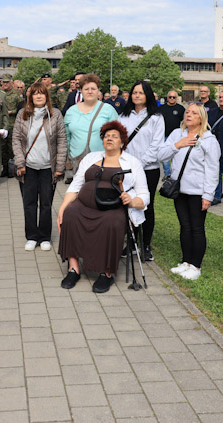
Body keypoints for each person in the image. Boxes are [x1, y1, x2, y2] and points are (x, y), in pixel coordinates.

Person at [57, 121, 149, 293]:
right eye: (106, 136)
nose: (109, 139)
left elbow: (144, 194)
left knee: (111, 223)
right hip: (84, 205)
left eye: (114, 136)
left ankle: (106, 272)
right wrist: (62, 208)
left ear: (122, 142)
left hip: (113, 208)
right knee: (70, 214)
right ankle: (73, 268)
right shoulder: (91, 158)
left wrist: (132, 200)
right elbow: (75, 185)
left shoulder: (132, 162)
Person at [158, 103, 220, 280]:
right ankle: (186, 262)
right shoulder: (177, 134)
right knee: (184, 226)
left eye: (194, 113)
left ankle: (196, 266)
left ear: (201, 118)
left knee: (197, 228)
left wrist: (208, 195)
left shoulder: (209, 140)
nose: (189, 115)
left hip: (198, 191)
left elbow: (212, 169)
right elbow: (161, 155)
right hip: (179, 190)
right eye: (187, 112)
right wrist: (178, 145)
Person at [14, 83, 67, 251]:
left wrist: (59, 167)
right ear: (30, 97)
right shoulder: (22, 114)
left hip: (48, 168)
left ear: (46, 96)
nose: (38, 96)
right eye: (35, 93)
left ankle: (44, 237)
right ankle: (31, 236)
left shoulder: (55, 114)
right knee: (29, 203)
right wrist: (20, 163)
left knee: (46, 203)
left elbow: (62, 141)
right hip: (28, 167)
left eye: (42, 93)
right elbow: (16, 140)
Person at [120, 80, 166, 261]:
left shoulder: (156, 118)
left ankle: (146, 245)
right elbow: (119, 140)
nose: (137, 95)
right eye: (134, 92)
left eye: (141, 92)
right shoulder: (123, 116)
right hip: (126, 170)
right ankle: (131, 243)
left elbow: (156, 145)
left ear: (147, 95)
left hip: (148, 169)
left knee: (146, 206)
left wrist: (138, 164)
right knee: (128, 205)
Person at [64, 74, 119, 174]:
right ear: (81, 90)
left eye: (93, 89)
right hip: (76, 160)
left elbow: (117, 136)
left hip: (101, 161)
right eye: (86, 89)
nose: (90, 91)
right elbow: (66, 137)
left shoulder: (108, 110)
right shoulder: (71, 111)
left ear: (98, 90)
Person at [159, 90, 186, 178]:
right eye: (170, 97)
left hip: (177, 137)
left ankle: (175, 175)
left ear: (176, 98)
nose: (172, 98)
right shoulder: (161, 108)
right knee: (165, 159)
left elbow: (184, 122)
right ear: (167, 98)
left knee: (177, 157)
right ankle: (167, 175)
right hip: (164, 136)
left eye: (174, 97)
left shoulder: (181, 108)